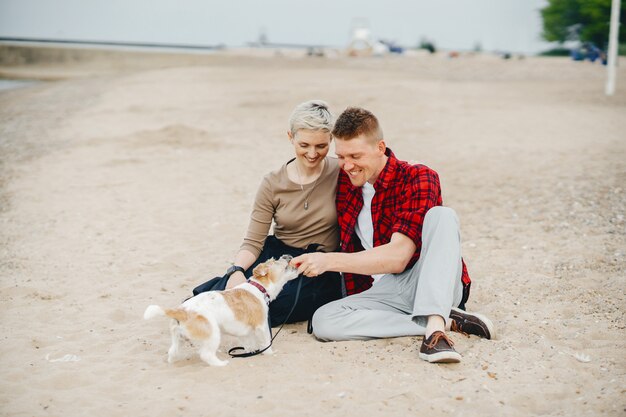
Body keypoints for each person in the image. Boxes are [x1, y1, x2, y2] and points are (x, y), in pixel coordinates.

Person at [291, 107, 494, 364]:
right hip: (386, 291)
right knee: (323, 321)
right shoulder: (346, 181)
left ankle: (434, 330)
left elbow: (398, 257)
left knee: (442, 216)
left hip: (427, 278)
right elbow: (304, 168)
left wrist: (328, 261)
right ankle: (448, 321)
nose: (348, 165)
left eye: (355, 155)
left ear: (380, 147)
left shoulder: (419, 177)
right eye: (341, 156)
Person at [192, 100, 342, 327]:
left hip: (318, 264)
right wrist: (236, 270)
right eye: (304, 145)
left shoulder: (341, 171)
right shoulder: (272, 183)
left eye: (321, 146)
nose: (312, 153)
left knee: (273, 305)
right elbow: (253, 242)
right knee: (224, 294)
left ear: (331, 140)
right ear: (290, 137)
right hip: (277, 257)